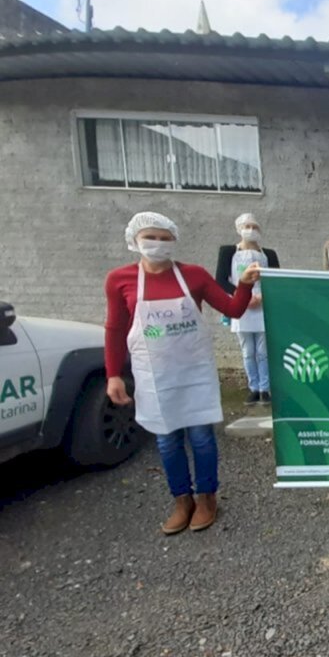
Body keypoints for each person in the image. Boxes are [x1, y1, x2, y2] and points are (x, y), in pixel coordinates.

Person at [105, 212, 260, 535]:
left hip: (193, 372)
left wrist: (243, 286)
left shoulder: (194, 276)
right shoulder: (120, 280)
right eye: (150, 238)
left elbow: (232, 310)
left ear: (173, 241)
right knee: (166, 441)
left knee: (202, 438)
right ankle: (181, 500)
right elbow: (115, 328)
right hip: (154, 376)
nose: (157, 244)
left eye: (164, 239)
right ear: (135, 240)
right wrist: (113, 374)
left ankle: (207, 497)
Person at [215, 213, 280, 405]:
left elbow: (276, 279)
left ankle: (265, 389)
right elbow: (220, 281)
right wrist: (242, 294)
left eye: (254, 227)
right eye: (247, 226)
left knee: (263, 351)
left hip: (263, 304)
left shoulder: (269, 254)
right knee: (247, 351)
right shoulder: (228, 252)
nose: (250, 230)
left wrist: (262, 296)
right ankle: (253, 387)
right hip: (241, 304)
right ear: (239, 229)